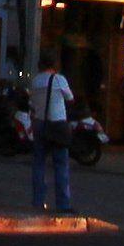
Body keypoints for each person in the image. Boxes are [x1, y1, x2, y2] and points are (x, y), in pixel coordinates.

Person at [28, 63, 79, 213]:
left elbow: (32, 102)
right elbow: (70, 97)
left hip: (39, 124)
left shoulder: (36, 81)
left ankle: (38, 201)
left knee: (39, 164)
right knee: (61, 165)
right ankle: (62, 204)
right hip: (56, 125)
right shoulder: (58, 79)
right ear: (54, 66)